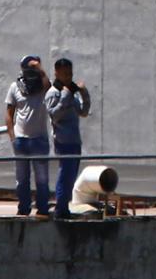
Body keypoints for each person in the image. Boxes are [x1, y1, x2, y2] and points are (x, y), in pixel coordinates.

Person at [45, 57, 92, 220]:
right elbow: (54, 115)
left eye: (70, 74)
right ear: (56, 73)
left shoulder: (72, 93)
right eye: (64, 74)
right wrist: (65, 95)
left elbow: (83, 112)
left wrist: (84, 93)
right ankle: (61, 208)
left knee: (71, 177)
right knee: (65, 176)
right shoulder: (54, 93)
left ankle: (64, 207)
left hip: (74, 140)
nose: (68, 77)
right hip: (63, 141)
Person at [5, 55, 53, 216]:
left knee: (42, 178)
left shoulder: (42, 86)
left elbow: (49, 87)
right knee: (22, 178)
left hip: (39, 139)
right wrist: (13, 137)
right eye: (30, 67)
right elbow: (9, 114)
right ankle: (23, 208)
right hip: (21, 140)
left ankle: (42, 208)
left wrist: (40, 69)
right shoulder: (15, 87)